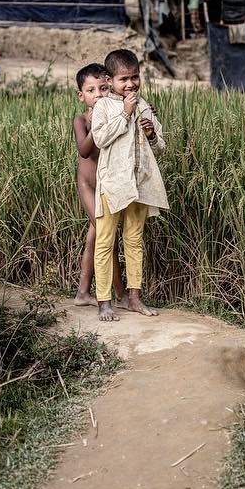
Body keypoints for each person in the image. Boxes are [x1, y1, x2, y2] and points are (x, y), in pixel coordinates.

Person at [90, 48, 168, 322]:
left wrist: (151, 133)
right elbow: (99, 139)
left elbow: (160, 147)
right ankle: (104, 302)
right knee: (105, 241)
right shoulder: (104, 106)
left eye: (134, 77)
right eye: (123, 79)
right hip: (113, 184)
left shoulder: (144, 104)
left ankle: (134, 297)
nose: (131, 84)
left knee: (134, 240)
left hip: (140, 184)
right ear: (109, 81)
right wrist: (125, 113)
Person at [72, 63, 125, 310]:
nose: (99, 95)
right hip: (88, 185)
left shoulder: (115, 115)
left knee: (94, 237)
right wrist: (95, 128)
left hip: (106, 187)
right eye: (91, 90)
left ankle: (83, 292)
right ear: (82, 95)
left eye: (103, 88)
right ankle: (120, 294)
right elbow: (84, 152)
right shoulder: (81, 120)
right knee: (107, 237)